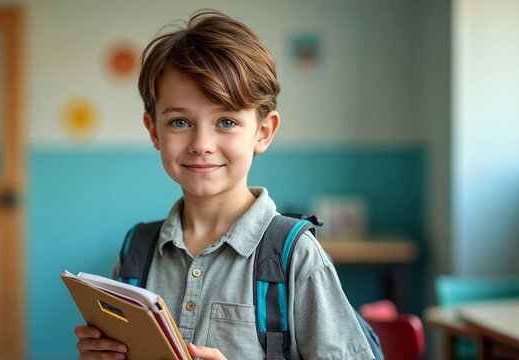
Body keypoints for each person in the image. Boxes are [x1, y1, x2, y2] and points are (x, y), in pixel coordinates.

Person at [75, 9, 375, 360]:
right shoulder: (135, 252)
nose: (201, 143)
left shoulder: (296, 257)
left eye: (227, 121)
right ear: (154, 130)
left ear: (263, 132)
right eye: (181, 121)